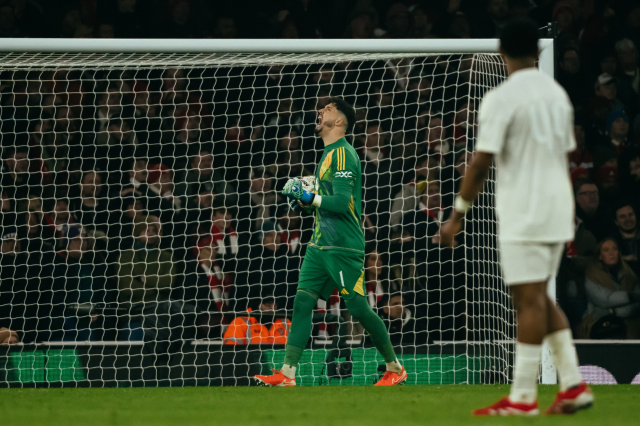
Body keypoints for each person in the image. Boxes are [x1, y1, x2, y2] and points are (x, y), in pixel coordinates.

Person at [440, 19, 591, 415]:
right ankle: (574, 384)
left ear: (501, 53)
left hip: (525, 209)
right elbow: (564, 155)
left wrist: (457, 215)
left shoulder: (501, 98)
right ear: (538, 52)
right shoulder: (558, 95)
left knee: (525, 300)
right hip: (559, 206)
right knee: (539, 295)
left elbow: (479, 163)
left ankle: (523, 397)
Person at [254, 96, 406, 387]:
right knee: (301, 303)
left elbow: (339, 203)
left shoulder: (344, 154)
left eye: (328, 109)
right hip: (319, 244)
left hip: (343, 245)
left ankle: (394, 367)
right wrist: (301, 203)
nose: (320, 111)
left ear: (339, 121)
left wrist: (308, 196)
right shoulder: (327, 155)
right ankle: (287, 374)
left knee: (359, 308)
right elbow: (321, 204)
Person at [583, 238, 640, 338]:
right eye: (606, 250)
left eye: (615, 249)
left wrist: (613, 312)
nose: (611, 253)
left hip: (630, 323)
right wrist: (629, 296)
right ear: (600, 256)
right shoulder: (592, 274)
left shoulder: (629, 274)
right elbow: (604, 299)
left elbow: (637, 305)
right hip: (601, 324)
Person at [223, 297, 291, 345]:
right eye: (268, 304)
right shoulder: (240, 322)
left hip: (281, 364)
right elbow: (230, 351)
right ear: (258, 304)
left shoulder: (286, 323)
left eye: (275, 303)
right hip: (251, 364)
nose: (273, 307)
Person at [614, 203, 640, 274]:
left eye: (630, 215)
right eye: (622, 217)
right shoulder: (611, 242)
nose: (628, 219)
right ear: (616, 222)